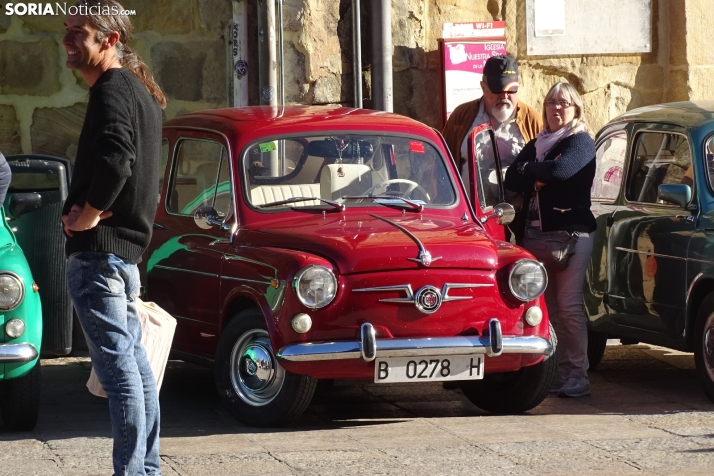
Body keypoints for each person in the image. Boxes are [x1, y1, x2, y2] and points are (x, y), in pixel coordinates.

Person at [60, 1, 166, 474]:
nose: (67, 40)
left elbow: (118, 157)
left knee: (121, 372)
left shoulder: (113, 88)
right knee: (135, 369)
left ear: (111, 40)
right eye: (65, 30)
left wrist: (90, 213)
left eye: (78, 32)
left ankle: (134, 471)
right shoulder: (137, 90)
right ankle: (146, 467)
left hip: (100, 257)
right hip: (122, 257)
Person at [504, 82, 597, 398]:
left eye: (564, 103)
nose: (556, 108)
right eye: (551, 103)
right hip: (536, 235)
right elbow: (512, 177)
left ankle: (578, 375)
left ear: (575, 109)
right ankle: (557, 372)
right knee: (550, 310)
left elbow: (561, 170)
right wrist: (534, 170)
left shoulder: (581, 141)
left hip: (571, 237)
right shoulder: (537, 143)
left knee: (569, 307)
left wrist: (533, 169)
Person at [442, 54, 543, 221]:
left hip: (518, 217)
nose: (504, 96)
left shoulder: (532, 120)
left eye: (511, 90)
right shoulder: (462, 117)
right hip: (472, 216)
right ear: (483, 87)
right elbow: (443, 167)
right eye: (497, 89)